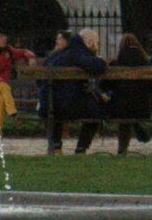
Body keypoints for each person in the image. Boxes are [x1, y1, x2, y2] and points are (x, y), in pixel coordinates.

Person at [43, 23, 107, 154]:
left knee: (56, 103)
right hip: (67, 105)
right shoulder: (78, 52)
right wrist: (101, 61)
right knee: (97, 109)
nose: (97, 45)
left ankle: (56, 145)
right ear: (89, 42)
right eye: (96, 42)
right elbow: (96, 67)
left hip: (47, 104)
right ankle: (81, 147)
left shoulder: (58, 54)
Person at [94, 31, 152, 154]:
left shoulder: (116, 63)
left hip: (120, 108)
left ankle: (122, 150)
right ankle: (136, 125)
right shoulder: (146, 63)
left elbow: (104, 86)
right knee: (130, 108)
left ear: (121, 46)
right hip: (143, 107)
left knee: (124, 110)